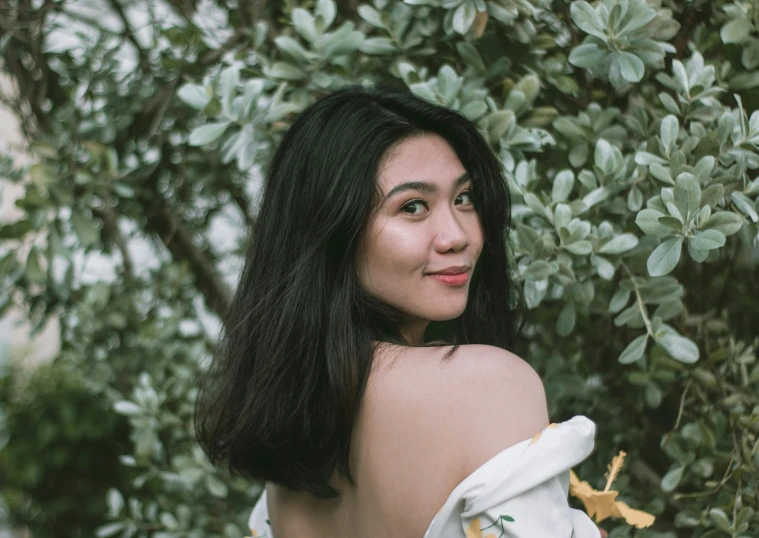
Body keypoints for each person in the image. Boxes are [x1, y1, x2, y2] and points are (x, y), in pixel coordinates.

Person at [194, 84, 604, 538]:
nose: (458, 235)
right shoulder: (485, 386)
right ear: (333, 234)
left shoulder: (292, 460)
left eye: (464, 198)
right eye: (413, 206)